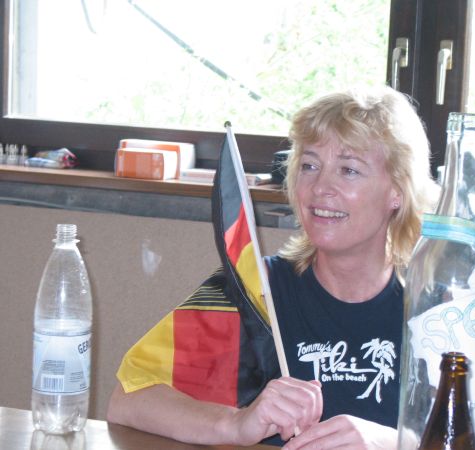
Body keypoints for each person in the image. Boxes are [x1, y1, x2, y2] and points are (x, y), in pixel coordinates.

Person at [107, 85, 438, 448]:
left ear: (398, 191)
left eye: (349, 170)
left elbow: (472, 435)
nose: (320, 187)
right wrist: (236, 424)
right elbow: (129, 398)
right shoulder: (255, 291)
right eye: (309, 165)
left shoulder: (436, 308)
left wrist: (395, 442)